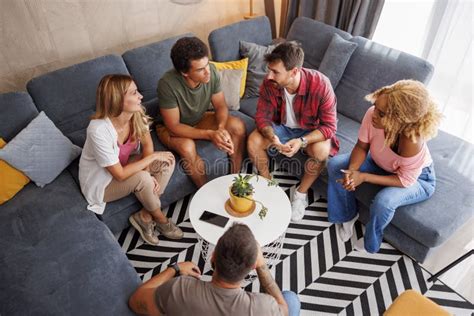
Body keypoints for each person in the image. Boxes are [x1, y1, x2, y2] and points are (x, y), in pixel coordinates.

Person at [327, 79, 442, 253]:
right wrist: (352, 171)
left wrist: (363, 177)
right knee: (336, 165)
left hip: (416, 179)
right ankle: (347, 215)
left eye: (382, 114)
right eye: (376, 106)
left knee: (383, 202)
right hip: (380, 162)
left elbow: (405, 180)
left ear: (401, 120)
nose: (374, 114)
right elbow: (361, 146)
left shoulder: (411, 141)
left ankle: (371, 243)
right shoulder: (373, 113)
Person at [79, 74, 183, 246]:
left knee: (167, 161)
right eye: (134, 93)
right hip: (104, 182)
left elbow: (148, 146)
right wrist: (148, 169)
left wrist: (149, 172)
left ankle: (144, 215)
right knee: (144, 177)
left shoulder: (136, 113)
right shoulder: (98, 130)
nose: (141, 96)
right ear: (118, 100)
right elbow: (119, 175)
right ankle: (161, 219)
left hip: (126, 164)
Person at [247, 41, 339, 222]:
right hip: (282, 127)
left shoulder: (320, 84)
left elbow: (329, 127)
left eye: (275, 72)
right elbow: (262, 117)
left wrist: (302, 141)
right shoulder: (269, 83)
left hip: (311, 131)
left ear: (294, 71)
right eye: (269, 69)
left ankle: (300, 195)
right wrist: (272, 137)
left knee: (321, 151)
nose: (269, 76)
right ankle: (268, 184)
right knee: (253, 141)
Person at [128, 223, 300, 316]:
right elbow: (283, 310)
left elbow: (135, 301)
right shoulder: (263, 307)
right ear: (251, 267)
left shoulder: (179, 288)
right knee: (290, 300)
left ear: (212, 256)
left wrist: (175, 268)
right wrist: (262, 266)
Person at [156, 36, 246, 188]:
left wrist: (221, 129)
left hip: (199, 119)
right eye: (200, 69)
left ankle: (235, 180)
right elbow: (174, 126)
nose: (207, 72)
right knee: (187, 147)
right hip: (171, 127)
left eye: (207, 64)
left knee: (237, 126)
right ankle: (206, 192)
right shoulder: (167, 85)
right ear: (185, 72)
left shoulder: (211, 71)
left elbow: (220, 106)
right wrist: (210, 134)